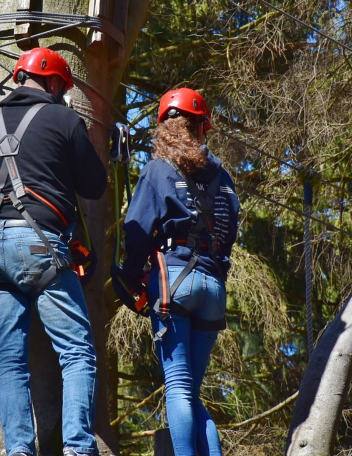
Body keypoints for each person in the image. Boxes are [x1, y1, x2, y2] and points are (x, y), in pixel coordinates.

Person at [0, 47, 107, 456]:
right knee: (78, 352)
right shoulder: (65, 120)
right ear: (52, 83)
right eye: (62, 89)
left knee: (9, 359)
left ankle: (19, 451)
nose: (62, 96)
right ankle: (79, 449)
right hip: (39, 243)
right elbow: (95, 186)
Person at [112, 88, 239, 456]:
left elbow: (136, 228)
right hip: (212, 285)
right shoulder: (225, 179)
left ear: (165, 127)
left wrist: (133, 275)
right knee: (191, 391)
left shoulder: (158, 171)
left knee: (180, 387)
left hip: (174, 281)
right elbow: (230, 231)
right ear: (202, 127)